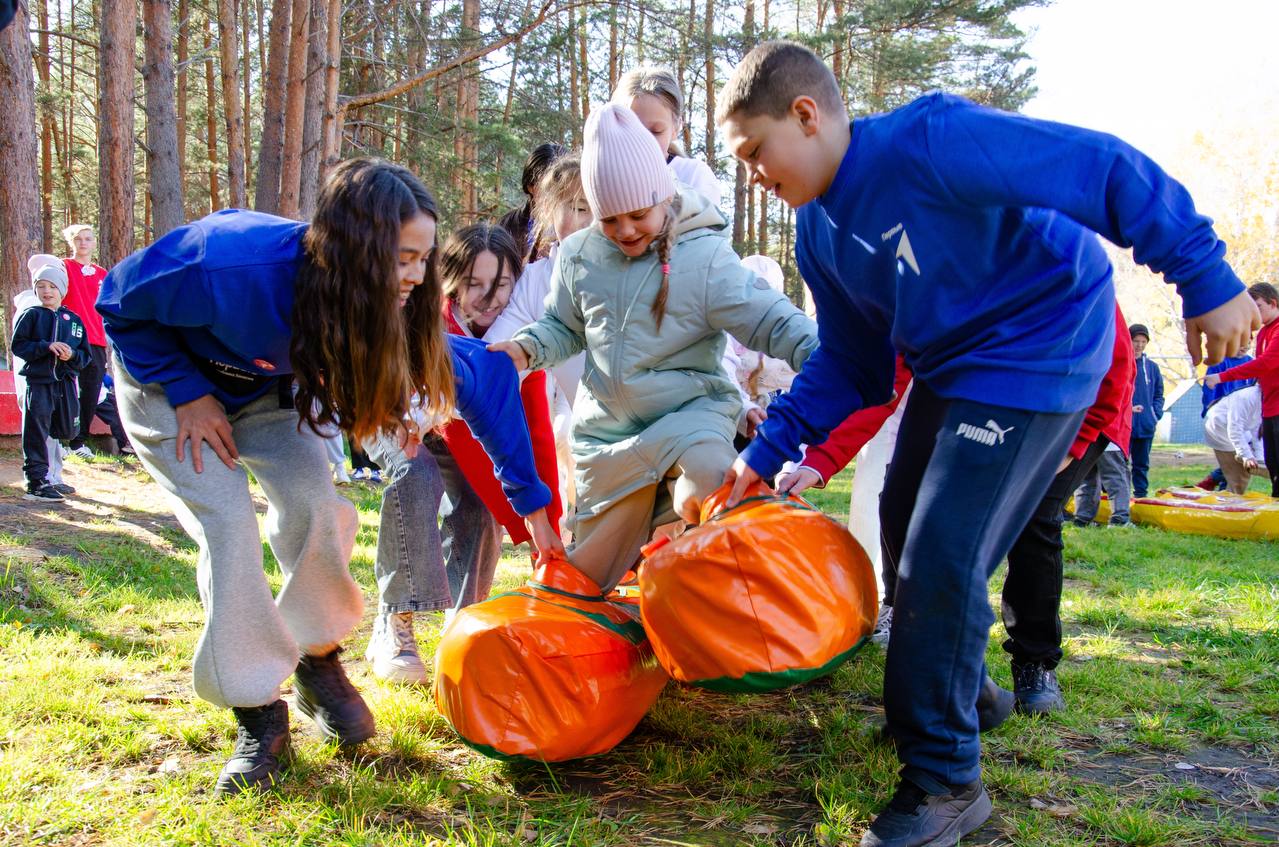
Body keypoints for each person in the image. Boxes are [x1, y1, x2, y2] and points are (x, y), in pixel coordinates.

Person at [716, 41, 1256, 847]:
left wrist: (1203, 276)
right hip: (953, 364)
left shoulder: (928, 140)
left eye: (754, 151)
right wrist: (759, 456)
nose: (752, 174)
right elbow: (854, 364)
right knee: (902, 518)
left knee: (942, 553)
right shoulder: (816, 235)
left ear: (805, 114)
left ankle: (943, 781)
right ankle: (962, 698)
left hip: (1043, 341)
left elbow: (1099, 168)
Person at [97, 158, 562, 796]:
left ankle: (318, 661)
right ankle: (257, 711)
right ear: (353, 246)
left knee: (317, 506)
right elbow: (119, 301)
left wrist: (534, 511)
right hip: (168, 385)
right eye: (402, 257)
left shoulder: (399, 304)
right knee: (229, 526)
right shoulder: (227, 263)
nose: (415, 276)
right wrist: (186, 393)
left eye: (424, 259)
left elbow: (487, 385)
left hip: (268, 387)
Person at [489, 103, 817, 593]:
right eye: (609, 219)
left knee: (711, 484)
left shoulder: (702, 256)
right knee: (587, 573)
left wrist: (829, 357)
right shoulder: (579, 257)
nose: (625, 230)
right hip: (609, 438)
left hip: (690, 416)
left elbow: (768, 317)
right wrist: (525, 349)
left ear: (663, 194)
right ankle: (604, 626)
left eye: (638, 214)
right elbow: (562, 326)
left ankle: (747, 606)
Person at [362, 223, 563, 685]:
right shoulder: (421, 315)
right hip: (393, 412)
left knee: (479, 505)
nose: (489, 298)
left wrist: (541, 523)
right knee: (415, 474)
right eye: (474, 284)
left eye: (502, 285)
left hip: (463, 427)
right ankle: (395, 622)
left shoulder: (518, 341)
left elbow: (528, 435)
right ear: (450, 280)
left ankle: (461, 622)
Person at [486, 152, 593, 514]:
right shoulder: (535, 282)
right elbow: (495, 358)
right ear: (548, 208)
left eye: (593, 208)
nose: (585, 221)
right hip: (593, 441)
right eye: (574, 207)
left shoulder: (631, 270)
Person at [12, 256, 91, 502]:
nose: (47, 291)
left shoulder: (74, 320)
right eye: (42, 286)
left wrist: (71, 355)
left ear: (62, 290)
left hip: (64, 384)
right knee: (36, 430)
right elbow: (19, 346)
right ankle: (36, 482)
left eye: (52, 286)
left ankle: (52, 476)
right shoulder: (32, 315)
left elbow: (84, 355)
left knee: (62, 429)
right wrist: (46, 347)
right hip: (39, 382)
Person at [1206, 282, 1279, 497]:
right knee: (1273, 464)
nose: (1254, 313)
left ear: (1273, 303)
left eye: (1258, 307)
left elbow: (1266, 363)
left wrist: (1222, 376)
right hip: (1269, 406)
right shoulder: (1265, 332)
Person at [612, 66, 722, 207]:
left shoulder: (693, 175)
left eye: (656, 131)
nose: (644, 142)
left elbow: (707, 227)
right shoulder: (609, 180)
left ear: (676, 128)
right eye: (634, 131)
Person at [60, 224, 110, 460]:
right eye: (78, 239)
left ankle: (79, 441)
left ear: (93, 242)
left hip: (96, 340)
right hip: (69, 337)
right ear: (72, 242)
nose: (83, 243)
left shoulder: (102, 274)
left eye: (88, 239)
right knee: (64, 388)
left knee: (91, 391)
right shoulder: (63, 267)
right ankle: (59, 438)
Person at [498, 142, 567, 261]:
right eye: (549, 186)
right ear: (531, 186)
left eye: (563, 185)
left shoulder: (579, 224)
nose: (557, 194)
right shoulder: (509, 225)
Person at [1203, 384, 1265, 493]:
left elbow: (1256, 429)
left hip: (1240, 430)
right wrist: (1247, 456)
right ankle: (1224, 504)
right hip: (1219, 428)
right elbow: (1234, 429)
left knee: (1242, 474)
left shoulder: (1267, 400)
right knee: (1239, 479)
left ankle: (1215, 485)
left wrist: (1260, 459)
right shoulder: (1245, 397)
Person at [1127, 324, 1164, 497]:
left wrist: (1155, 414)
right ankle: (1117, 497)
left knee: (1141, 464)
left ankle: (1141, 495)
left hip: (1146, 426)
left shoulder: (1152, 367)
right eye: (1136, 341)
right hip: (1124, 425)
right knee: (1119, 464)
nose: (1139, 345)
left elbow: (1158, 393)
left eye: (1143, 341)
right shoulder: (1120, 364)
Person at [1071, 442, 1132, 525]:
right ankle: (1120, 520)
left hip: (1086, 443)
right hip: (1110, 441)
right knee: (1116, 479)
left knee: (1086, 479)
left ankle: (1082, 519)